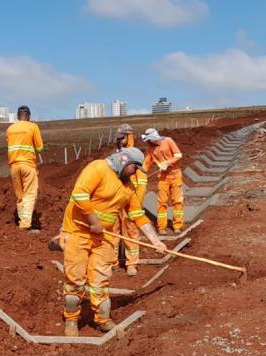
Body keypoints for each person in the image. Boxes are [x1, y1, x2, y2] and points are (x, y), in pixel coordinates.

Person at [60, 148, 166, 336]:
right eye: (134, 168)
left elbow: (137, 214)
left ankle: (103, 319)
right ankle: (71, 319)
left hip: (104, 237)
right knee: (75, 280)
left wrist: (155, 240)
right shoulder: (98, 168)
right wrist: (94, 222)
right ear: (124, 161)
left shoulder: (128, 187)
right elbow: (80, 195)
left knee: (101, 280)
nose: (135, 173)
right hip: (78, 232)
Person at [114, 124, 147, 276]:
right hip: (116, 200)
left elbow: (142, 182)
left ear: (129, 136)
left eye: (122, 137)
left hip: (130, 201)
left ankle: (131, 263)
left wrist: (137, 203)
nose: (119, 140)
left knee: (130, 232)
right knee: (113, 232)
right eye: (118, 138)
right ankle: (112, 262)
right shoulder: (116, 155)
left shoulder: (135, 156)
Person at [5, 105, 44, 232]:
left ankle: (22, 221)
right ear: (29, 116)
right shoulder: (33, 127)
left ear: (17, 116)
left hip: (14, 166)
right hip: (27, 165)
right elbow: (40, 148)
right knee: (30, 194)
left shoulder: (10, 129)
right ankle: (25, 225)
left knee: (20, 195)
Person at [141, 127, 184, 235]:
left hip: (175, 175)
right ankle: (161, 227)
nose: (149, 142)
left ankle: (177, 226)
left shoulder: (168, 140)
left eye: (149, 140)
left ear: (154, 137)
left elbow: (178, 155)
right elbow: (146, 163)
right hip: (163, 177)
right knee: (162, 202)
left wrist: (167, 163)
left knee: (177, 201)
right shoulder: (150, 148)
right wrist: (140, 174)